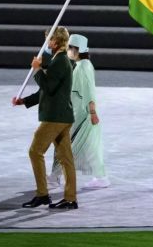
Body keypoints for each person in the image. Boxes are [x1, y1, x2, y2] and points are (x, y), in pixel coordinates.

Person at [12, 27, 78, 209]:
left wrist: (37, 69)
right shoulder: (59, 60)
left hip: (54, 118)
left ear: (55, 42)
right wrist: (23, 101)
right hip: (62, 116)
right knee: (66, 159)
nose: (47, 43)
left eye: (49, 40)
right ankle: (70, 199)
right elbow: (44, 92)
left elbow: (48, 87)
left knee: (35, 152)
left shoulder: (60, 62)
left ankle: (42, 195)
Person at [49, 34, 108, 191]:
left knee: (65, 145)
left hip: (81, 114)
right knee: (89, 147)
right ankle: (100, 177)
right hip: (78, 112)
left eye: (70, 48)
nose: (68, 50)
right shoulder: (82, 65)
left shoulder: (83, 67)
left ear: (78, 50)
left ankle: (55, 177)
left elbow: (89, 91)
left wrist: (92, 112)